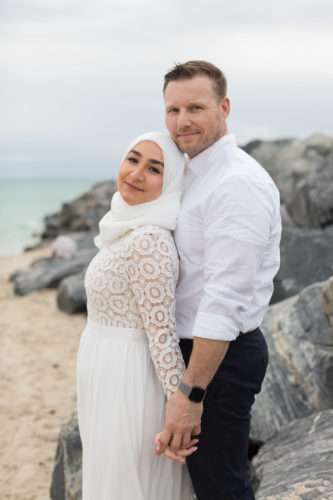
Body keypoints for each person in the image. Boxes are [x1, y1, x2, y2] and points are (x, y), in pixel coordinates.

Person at [155, 61, 282, 499]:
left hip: (218, 361)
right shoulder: (192, 173)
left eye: (195, 107)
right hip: (198, 354)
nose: (182, 121)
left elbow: (224, 299)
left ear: (224, 107)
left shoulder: (236, 183)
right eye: (173, 110)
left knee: (221, 488)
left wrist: (191, 394)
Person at [76, 132, 194, 500]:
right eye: (133, 159)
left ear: (171, 182)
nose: (137, 174)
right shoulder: (127, 227)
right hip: (107, 374)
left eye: (155, 169)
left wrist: (180, 414)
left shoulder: (149, 241)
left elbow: (162, 336)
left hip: (129, 384)